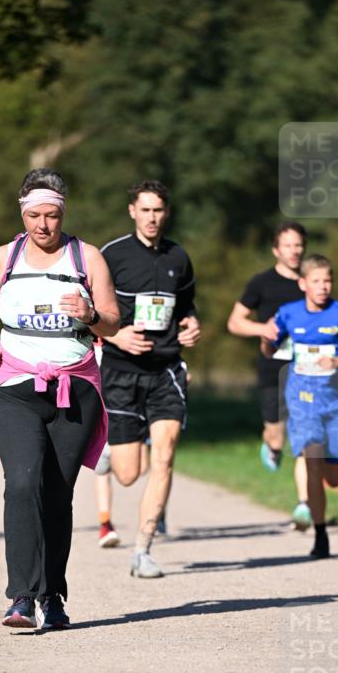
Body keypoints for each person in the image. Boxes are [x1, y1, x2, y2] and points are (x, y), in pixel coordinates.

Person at [0, 168, 120, 629]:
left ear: (63, 214)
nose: (43, 225)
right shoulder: (5, 257)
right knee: (21, 483)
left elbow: (114, 322)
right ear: (23, 213)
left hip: (75, 387)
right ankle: (20, 596)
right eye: (35, 215)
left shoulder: (87, 257)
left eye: (52, 215)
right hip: (15, 387)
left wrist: (91, 313)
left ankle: (52, 596)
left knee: (58, 495)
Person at [100, 179, 201, 578]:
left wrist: (192, 325)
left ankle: (142, 550)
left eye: (158, 210)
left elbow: (187, 306)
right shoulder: (111, 255)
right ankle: (106, 447)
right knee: (128, 474)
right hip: (122, 372)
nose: (152, 218)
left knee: (165, 454)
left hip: (166, 370)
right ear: (132, 212)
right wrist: (115, 334)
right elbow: (88, 312)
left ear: (166, 213)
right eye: (145, 210)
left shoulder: (179, 255)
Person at [261, 254, 338, 558]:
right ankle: (321, 536)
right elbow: (269, 348)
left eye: (328, 281)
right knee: (311, 459)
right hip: (303, 399)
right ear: (303, 283)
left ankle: (325, 478)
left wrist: (337, 361)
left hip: (336, 401)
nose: (323, 287)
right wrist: (266, 339)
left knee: (333, 477)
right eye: (317, 281)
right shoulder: (288, 313)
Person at [227, 222, 312, 530]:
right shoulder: (261, 283)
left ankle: (304, 505)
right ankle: (271, 445)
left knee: (303, 437)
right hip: (272, 369)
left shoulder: (311, 282)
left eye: (299, 245)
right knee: (278, 435)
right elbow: (234, 323)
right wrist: (262, 328)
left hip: (308, 370)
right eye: (288, 245)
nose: (294, 251)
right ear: (277, 249)